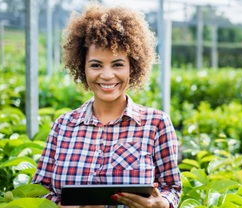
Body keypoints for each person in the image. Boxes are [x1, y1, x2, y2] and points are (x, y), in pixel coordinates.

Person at [32, 2, 182, 208]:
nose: (107, 75)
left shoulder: (156, 124)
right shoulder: (63, 126)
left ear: (133, 67)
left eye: (118, 64)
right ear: (82, 67)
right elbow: (39, 188)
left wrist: (162, 204)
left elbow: (171, 187)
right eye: (96, 65)